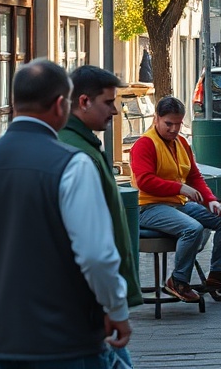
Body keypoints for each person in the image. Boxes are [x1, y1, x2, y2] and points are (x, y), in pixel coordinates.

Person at [0, 59, 131, 366]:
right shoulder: (72, 165)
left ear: (14, 103)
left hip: (0, 345)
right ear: (61, 105)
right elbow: (96, 256)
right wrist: (116, 309)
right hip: (70, 344)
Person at [129, 95, 221, 302]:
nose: (174, 129)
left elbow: (194, 175)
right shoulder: (145, 144)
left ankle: (219, 272)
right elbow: (144, 181)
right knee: (192, 228)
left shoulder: (181, 143)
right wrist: (180, 187)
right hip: (149, 207)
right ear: (156, 118)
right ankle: (177, 280)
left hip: (178, 204)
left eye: (178, 124)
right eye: (169, 124)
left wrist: (210, 200)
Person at [60, 65, 144, 313]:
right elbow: (92, 242)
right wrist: (115, 305)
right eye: (108, 103)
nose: (115, 111)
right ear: (84, 101)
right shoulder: (79, 155)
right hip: (88, 301)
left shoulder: (81, 145)